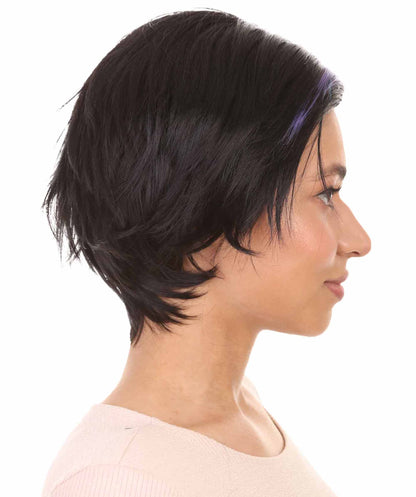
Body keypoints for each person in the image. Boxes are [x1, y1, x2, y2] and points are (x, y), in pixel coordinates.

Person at [40, 8, 371, 497]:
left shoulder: (244, 420)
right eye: (325, 193)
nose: (359, 240)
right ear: (206, 210)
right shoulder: (119, 480)